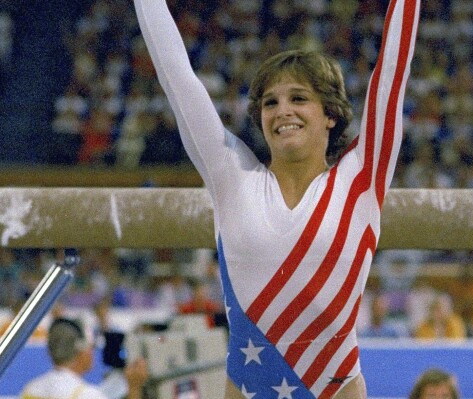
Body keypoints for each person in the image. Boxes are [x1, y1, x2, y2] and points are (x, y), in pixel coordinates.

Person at [132, 0, 420, 397]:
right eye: (271, 102)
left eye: (299, 98)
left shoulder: (361, 180)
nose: (283, 110)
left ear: (330, 114)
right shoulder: (231, 178)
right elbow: (176, 76)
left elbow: (393, 70)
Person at [19, 317, 148, 399]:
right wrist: (134, 388)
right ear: (82, 351)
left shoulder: (31, 389)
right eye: (91, 347)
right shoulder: (86, 395)